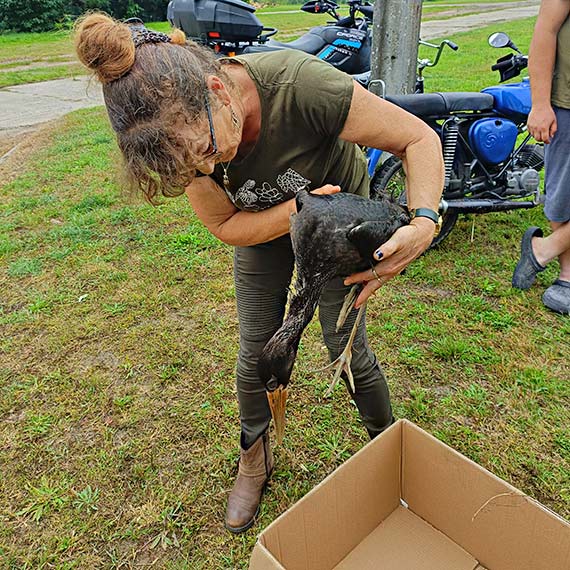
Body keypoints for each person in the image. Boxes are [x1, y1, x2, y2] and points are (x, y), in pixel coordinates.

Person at [74, 13, 444, 533]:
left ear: (218, 91)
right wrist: (298, 211)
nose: (208, 172)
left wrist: (424, 220)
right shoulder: (179, 140)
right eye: (191, 170)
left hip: (342, 225)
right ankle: (255, 457)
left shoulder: (300, 87)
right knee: (255, 350)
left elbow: (418, 140)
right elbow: (225, 222)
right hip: (270, 224)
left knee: (347, 348)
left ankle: (389, 452)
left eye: (205, 152)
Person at [512, 0, 570, 314]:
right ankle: (568, 275)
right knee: (564, 194)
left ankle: (543, 249)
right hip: (567, 102)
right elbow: (545, 31)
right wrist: (540, 104)